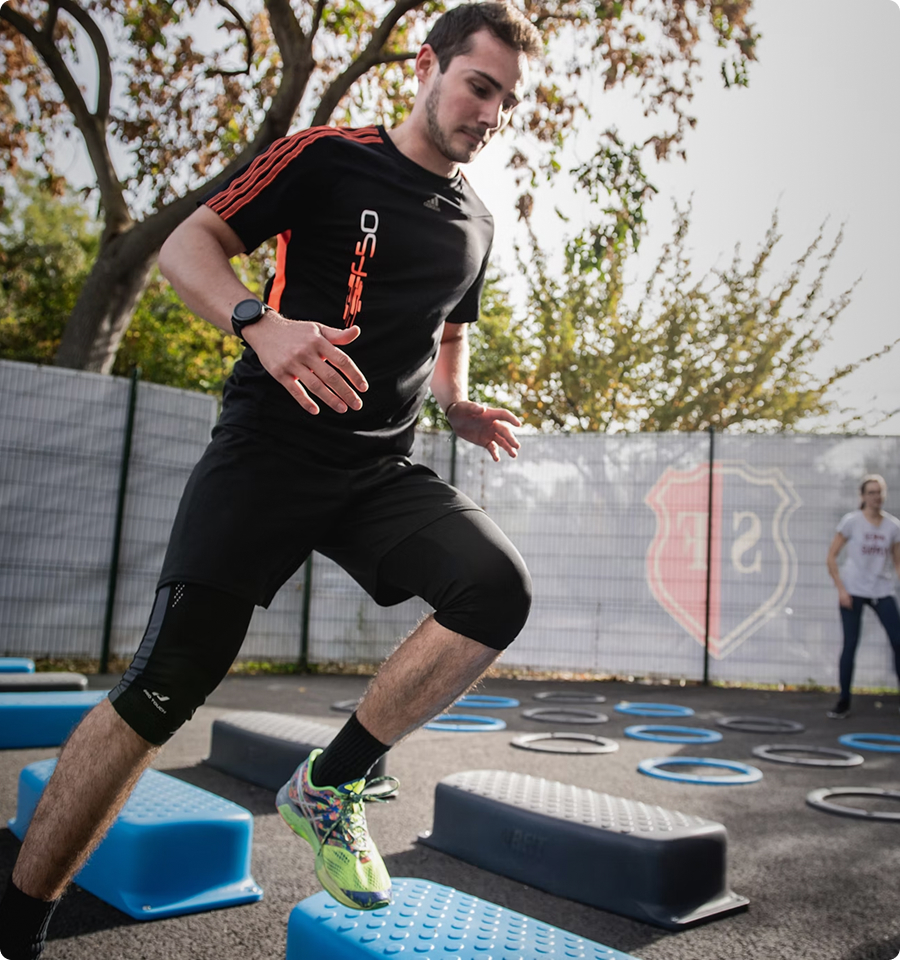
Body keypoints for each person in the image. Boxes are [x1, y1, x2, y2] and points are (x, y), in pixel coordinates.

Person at [0, 5, 542, 957]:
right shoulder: (328, 156)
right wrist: (261, 319)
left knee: (496, 589)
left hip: (377, 466)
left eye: (506, 100)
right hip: (268, 450)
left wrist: (456, 403)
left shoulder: (479, 223)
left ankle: (332, 784)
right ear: (428, 67)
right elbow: (188, 243)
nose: (490, 113)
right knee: (164, 689)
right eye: (479, 86)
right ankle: (15, 925)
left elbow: (450, 328)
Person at [825, 473, 900, 719]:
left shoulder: (893, 526)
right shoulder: (851, 522)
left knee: (898, 641)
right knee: (850, 644)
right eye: (871, 492)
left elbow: (897, 563)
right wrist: (841, 590)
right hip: (853, 591)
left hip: (882, 590)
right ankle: (844, 701)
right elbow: (831, 557)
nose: (876, 497)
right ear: (863, 496)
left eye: (879, 492)